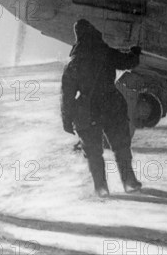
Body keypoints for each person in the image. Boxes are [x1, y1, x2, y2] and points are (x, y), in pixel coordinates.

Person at [61, 19, 143, 197]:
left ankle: (101, 187)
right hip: (111, 104)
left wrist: (66, 119)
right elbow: (128, 62)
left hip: (87, 110)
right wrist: (135, 52)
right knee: (121, 146)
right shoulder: (105, 52)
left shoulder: (73, 62)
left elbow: (66, 95)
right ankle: (129, 182)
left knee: (93, 152)